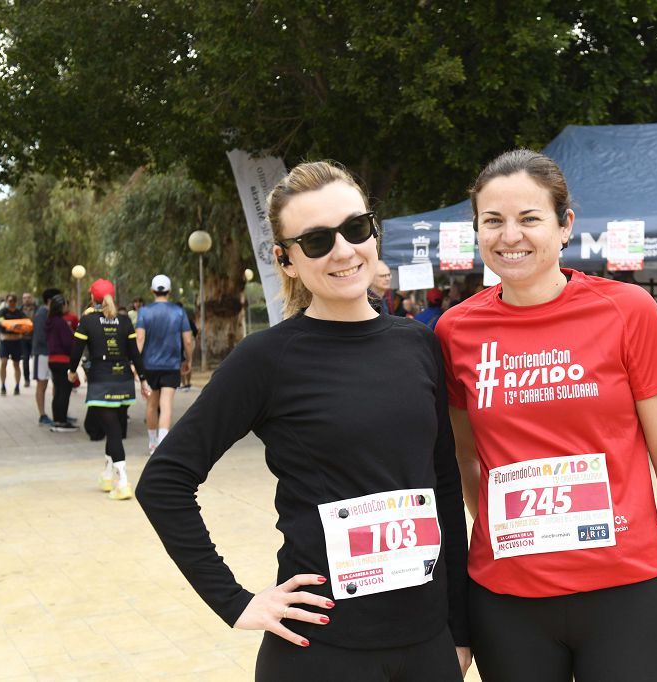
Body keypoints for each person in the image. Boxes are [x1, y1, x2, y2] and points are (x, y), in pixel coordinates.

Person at [136, 161, 470, 682]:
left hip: (428, 643)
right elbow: (163, 481)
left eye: (356, 229)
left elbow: (444, 488)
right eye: (316, 241)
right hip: (320, 647)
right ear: (285, 261)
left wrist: (461, 626)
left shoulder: (420, 345)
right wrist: (235, 601)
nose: (343, 250)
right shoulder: (266, 359)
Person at [435, 149, 657, 682]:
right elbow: (466, 460)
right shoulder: (455, 331)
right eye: (492, 221)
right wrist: (514, 533)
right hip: (506, 599)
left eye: (529, 218)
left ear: (565, 226)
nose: (509, 235)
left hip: (621, 595)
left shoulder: (627, 311)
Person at [69, 279, 148, 500]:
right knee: (113, 427)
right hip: (123, 380)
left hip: (101, 381)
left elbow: (76, 351)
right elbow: (135, 354)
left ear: (92, 298)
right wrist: (143, 380)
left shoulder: (88, 321)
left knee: (112, 431)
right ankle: (107, 475)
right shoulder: (124, 321)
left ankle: (122, 480)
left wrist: (71, 372)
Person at [136, 274, 193, 453]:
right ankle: (163, 444)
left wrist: (134, 363)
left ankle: (152, 443)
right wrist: (188, 359)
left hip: (149, 365)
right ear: (169, 291)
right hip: (171, 365)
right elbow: (188, 340)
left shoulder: (144, 312)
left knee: (152, 404)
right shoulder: (178, 311)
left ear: (152, 291)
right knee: (166, 403)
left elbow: (139, 338)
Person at [45, 294, 78, 433]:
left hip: (52, 359)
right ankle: (62, 421)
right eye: (65, 304)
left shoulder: (50, 321)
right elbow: (67, 342)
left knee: (58, 391)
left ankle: (57, 419)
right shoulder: (60, 322)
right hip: (63, 360)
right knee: (64, 391)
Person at [32, 288, 62, 427]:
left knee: (56, 384)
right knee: (42, 384)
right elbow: (40, 337)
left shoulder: (53, 313)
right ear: (50, 300)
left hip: (53, 355)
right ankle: (42, 415)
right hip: (43, 354)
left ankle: (59, 413)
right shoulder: (41, 314)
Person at [0, 294, 28, 395]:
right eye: (10, 301)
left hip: (16, 342)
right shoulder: (2, 312)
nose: (11, 303)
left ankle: (17, 386)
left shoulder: (20, 313)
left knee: (16, 364)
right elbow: (0, 321)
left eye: (13, 301)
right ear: (7, 301)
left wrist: (15, 327)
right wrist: (12, 325)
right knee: (3, 362)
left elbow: (26, 323)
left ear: (16, 302)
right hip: (5, 342)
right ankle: (3, 386)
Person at [20, 292, 37, 387]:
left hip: (35, 338)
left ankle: (38, 377)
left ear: (32, 299)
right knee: (25, 359)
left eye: (28, 298)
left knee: (37, 359)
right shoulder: (19, 311)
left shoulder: (37, 310)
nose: (26, 299)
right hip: (23, 338)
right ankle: (26, 379)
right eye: (24, 298)